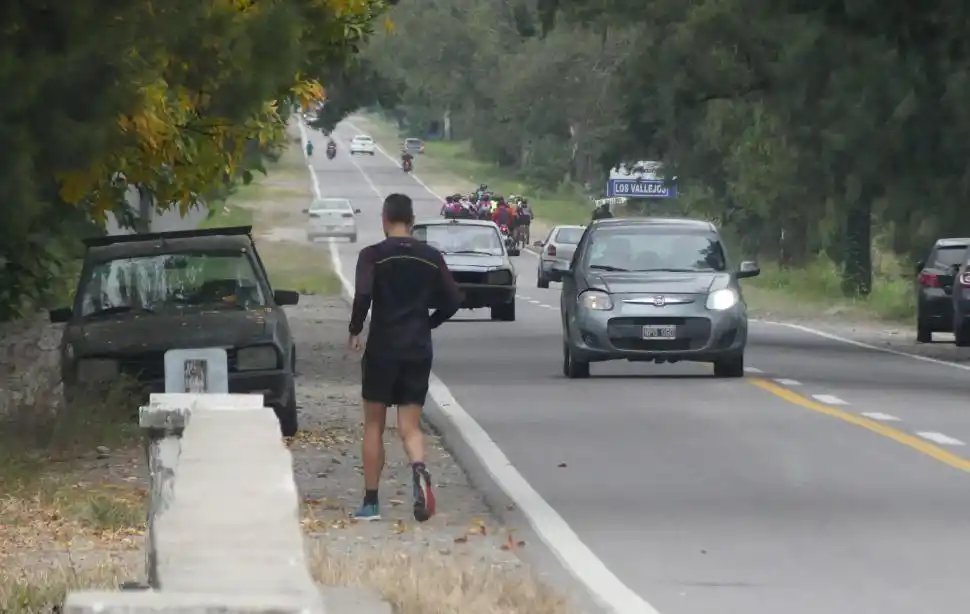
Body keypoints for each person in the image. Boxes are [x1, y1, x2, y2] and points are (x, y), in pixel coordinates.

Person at [348, 193, 462, 522]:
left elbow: (364, 294)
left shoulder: (372, 256)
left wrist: (355, 328)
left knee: (373, 424)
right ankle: (419, 468)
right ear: (411, 220)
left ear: (384, 218)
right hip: (417, 347)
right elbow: (454, 299)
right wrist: (431, 321)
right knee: (410, 426)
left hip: (383, 347)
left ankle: (370, 503)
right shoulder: (430, 257)